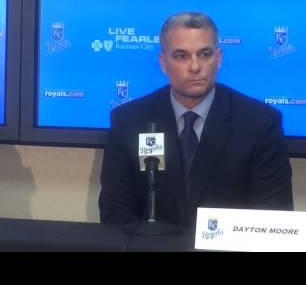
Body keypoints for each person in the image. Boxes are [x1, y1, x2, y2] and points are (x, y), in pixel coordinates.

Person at [99, 12, 293, 226]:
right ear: (164, 63)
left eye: (204, 54)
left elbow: (274, 217)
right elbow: (115, 215)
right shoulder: (128, 121)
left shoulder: (260, 123)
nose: (195, 67)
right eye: (181, 56)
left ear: (218, 59)